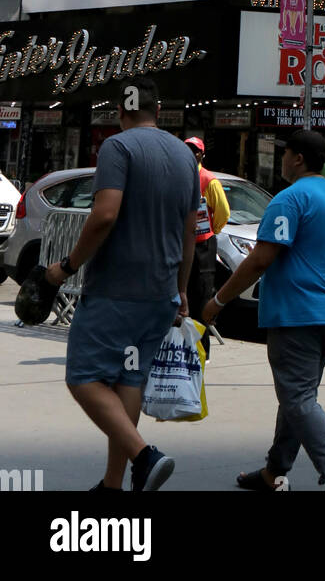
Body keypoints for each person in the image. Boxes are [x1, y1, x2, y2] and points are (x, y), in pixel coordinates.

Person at [45, 76, 199, 493]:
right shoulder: (186, 157)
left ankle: (144, 456)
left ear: (121, 112)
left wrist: (67, 265)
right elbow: (191, 231)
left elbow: (105, 214)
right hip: (160, 295)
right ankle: (114, 483)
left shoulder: (118, 147)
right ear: (157, 109)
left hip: (117, 291)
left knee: (82, 378)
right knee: (127, 380)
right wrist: (182, 290)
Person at [201, 128, 325, 492]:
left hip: (297, 313)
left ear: (298, 158)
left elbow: (260, 259)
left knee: (298, 399)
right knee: (298, 397)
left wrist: (217, 301)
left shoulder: (289, 199)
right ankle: (274, 471)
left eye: (285, 153)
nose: (282, 159)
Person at [183, 137, 230, 361]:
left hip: (202, 245)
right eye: (187, 150)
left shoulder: (209, 180)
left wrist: (211, 232)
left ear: (202, 155)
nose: (191, 154)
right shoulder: (177, 176)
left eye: (196, 151)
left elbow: (222, 212)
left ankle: (202, 352)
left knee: (200, 296)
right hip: (180, 242)